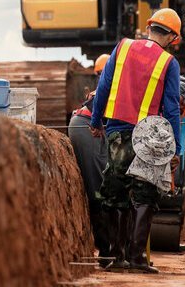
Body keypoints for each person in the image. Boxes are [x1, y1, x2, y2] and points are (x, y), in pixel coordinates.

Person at [89, 8, 183, 274]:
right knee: (145, 195)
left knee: (114, 192)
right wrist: (174, 147)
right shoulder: (169, 63)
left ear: (149, 27)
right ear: (172, 37)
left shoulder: (123, 47)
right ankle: (138, 258)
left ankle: (113, 256)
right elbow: (172, 107)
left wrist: (97, 122)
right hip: (149, 136)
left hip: (117, 130)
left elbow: (104, 87)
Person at [68, 54, 110, 260]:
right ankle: (106, 251)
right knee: (98, 188)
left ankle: (109, 249)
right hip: (86, 128)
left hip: (90, 127)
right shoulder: (106, 89)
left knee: (102, 184)